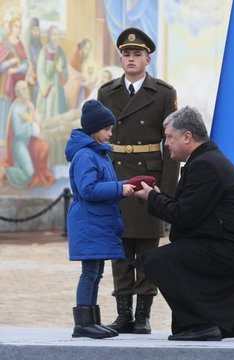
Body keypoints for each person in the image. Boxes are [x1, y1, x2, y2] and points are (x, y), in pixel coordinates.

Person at [133, 106, 234, 341]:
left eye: (169, 137)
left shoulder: (205, 165)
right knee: (201, 325)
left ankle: (201, 326)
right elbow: (189, 211)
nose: (166, 143)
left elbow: (183, 216)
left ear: (187, 137)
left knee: (157, 261)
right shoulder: (205, 161)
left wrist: (152, 198)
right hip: (220, 249)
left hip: (225, 255)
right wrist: (157, 196)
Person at [97, 27, 179, 335]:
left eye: (137, 54)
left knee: (147, 249)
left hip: (149, 177)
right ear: (121, 58)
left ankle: (143, 315)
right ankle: (123, 314)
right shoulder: (107, 93)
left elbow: (170, 146)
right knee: (119, 250)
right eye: (126, 54)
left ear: (147, 59)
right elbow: (101, 141)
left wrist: (166, 193)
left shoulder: (163, 93)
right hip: (116, 176)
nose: (131, 59)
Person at [65, 99, 136, 339]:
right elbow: (88, 190)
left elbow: (101, 185)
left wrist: (125, 186)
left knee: (96, 271)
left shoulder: (98, 153)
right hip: (89, 222)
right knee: (89, 272)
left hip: (95, 221)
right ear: (94, 130)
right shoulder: (86, 155)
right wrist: (119, 188)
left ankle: (91, 320)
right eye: (107, 129)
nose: (110, 134)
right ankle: (83, 324)